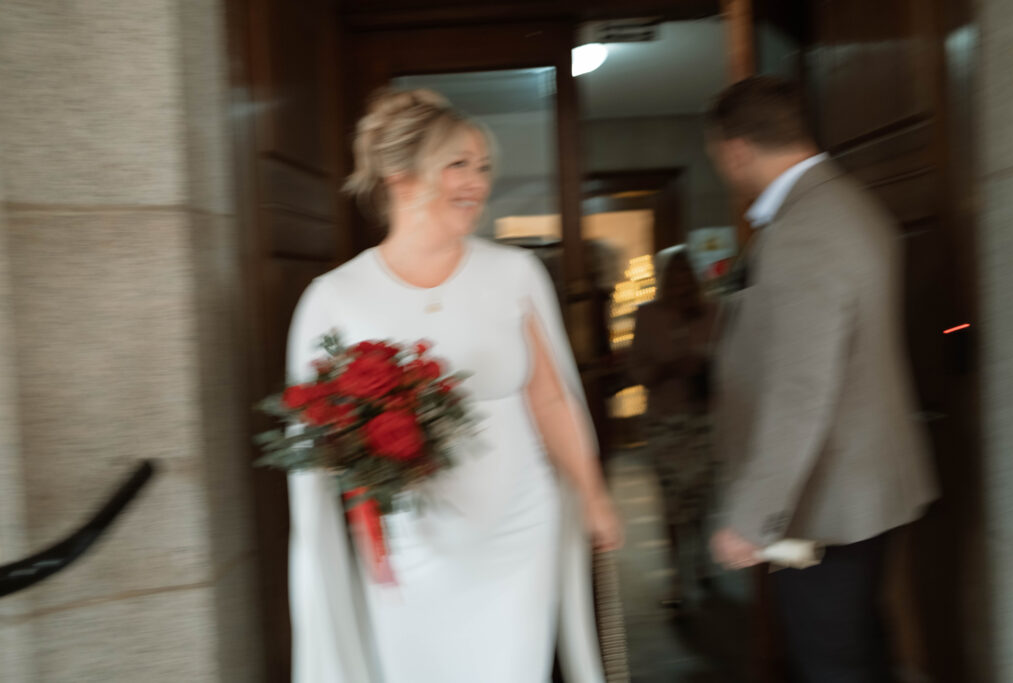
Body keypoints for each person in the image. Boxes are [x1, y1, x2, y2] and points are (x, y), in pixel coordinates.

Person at [285, 88, 623, 683]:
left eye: (484, 166)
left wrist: (593, 496)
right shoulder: (336, 298)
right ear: (399, 176)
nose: (478, 182)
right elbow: (330, 446)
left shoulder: (514, 273)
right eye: (458, 164)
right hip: (410, 546)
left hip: (520, 529)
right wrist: (371, 535)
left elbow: (549, 398)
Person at [704, 76, 938, 682]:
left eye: (720, 159)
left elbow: (801, 389)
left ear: (735, 149)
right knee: (863, 653)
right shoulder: (852, 203)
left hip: (828, 501)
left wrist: (753, 515)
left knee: (836, 663)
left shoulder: (802, 230)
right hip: (866, 489)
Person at [628, 247, 716, 615]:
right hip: (666, 422)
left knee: (702, 500)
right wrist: (667, 368)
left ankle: (702, 565)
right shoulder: (648, 317)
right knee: (671, 505)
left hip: (704, 420)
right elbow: (635, 371)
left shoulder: (713, 312)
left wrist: (705, 365)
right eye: (674, 275)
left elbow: (732, 360)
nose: (681, 282)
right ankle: (677, 576)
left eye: (686, 274)